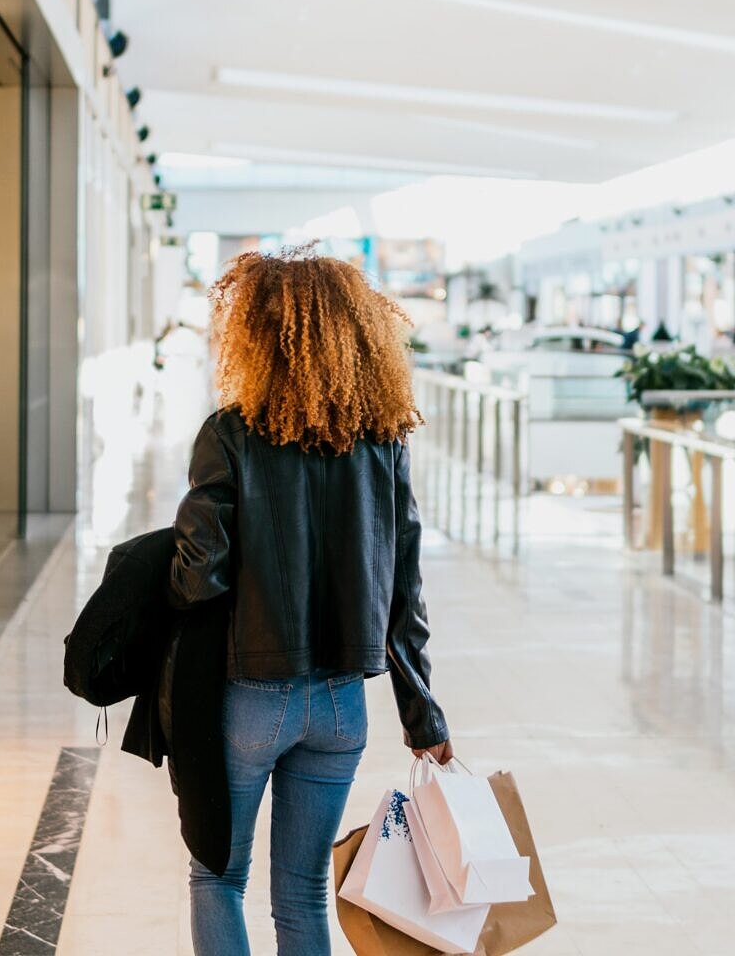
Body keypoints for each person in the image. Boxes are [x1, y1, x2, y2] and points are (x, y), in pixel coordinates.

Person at [171, 247, 451, 956]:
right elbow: (403, 590)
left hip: (251, 700)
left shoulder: (229, 435)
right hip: (340, 707)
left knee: (217, 877)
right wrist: (423, 716)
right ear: (360, 336)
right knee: (300, 894)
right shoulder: (382, 442)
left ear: (259, 335)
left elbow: (198, 575)